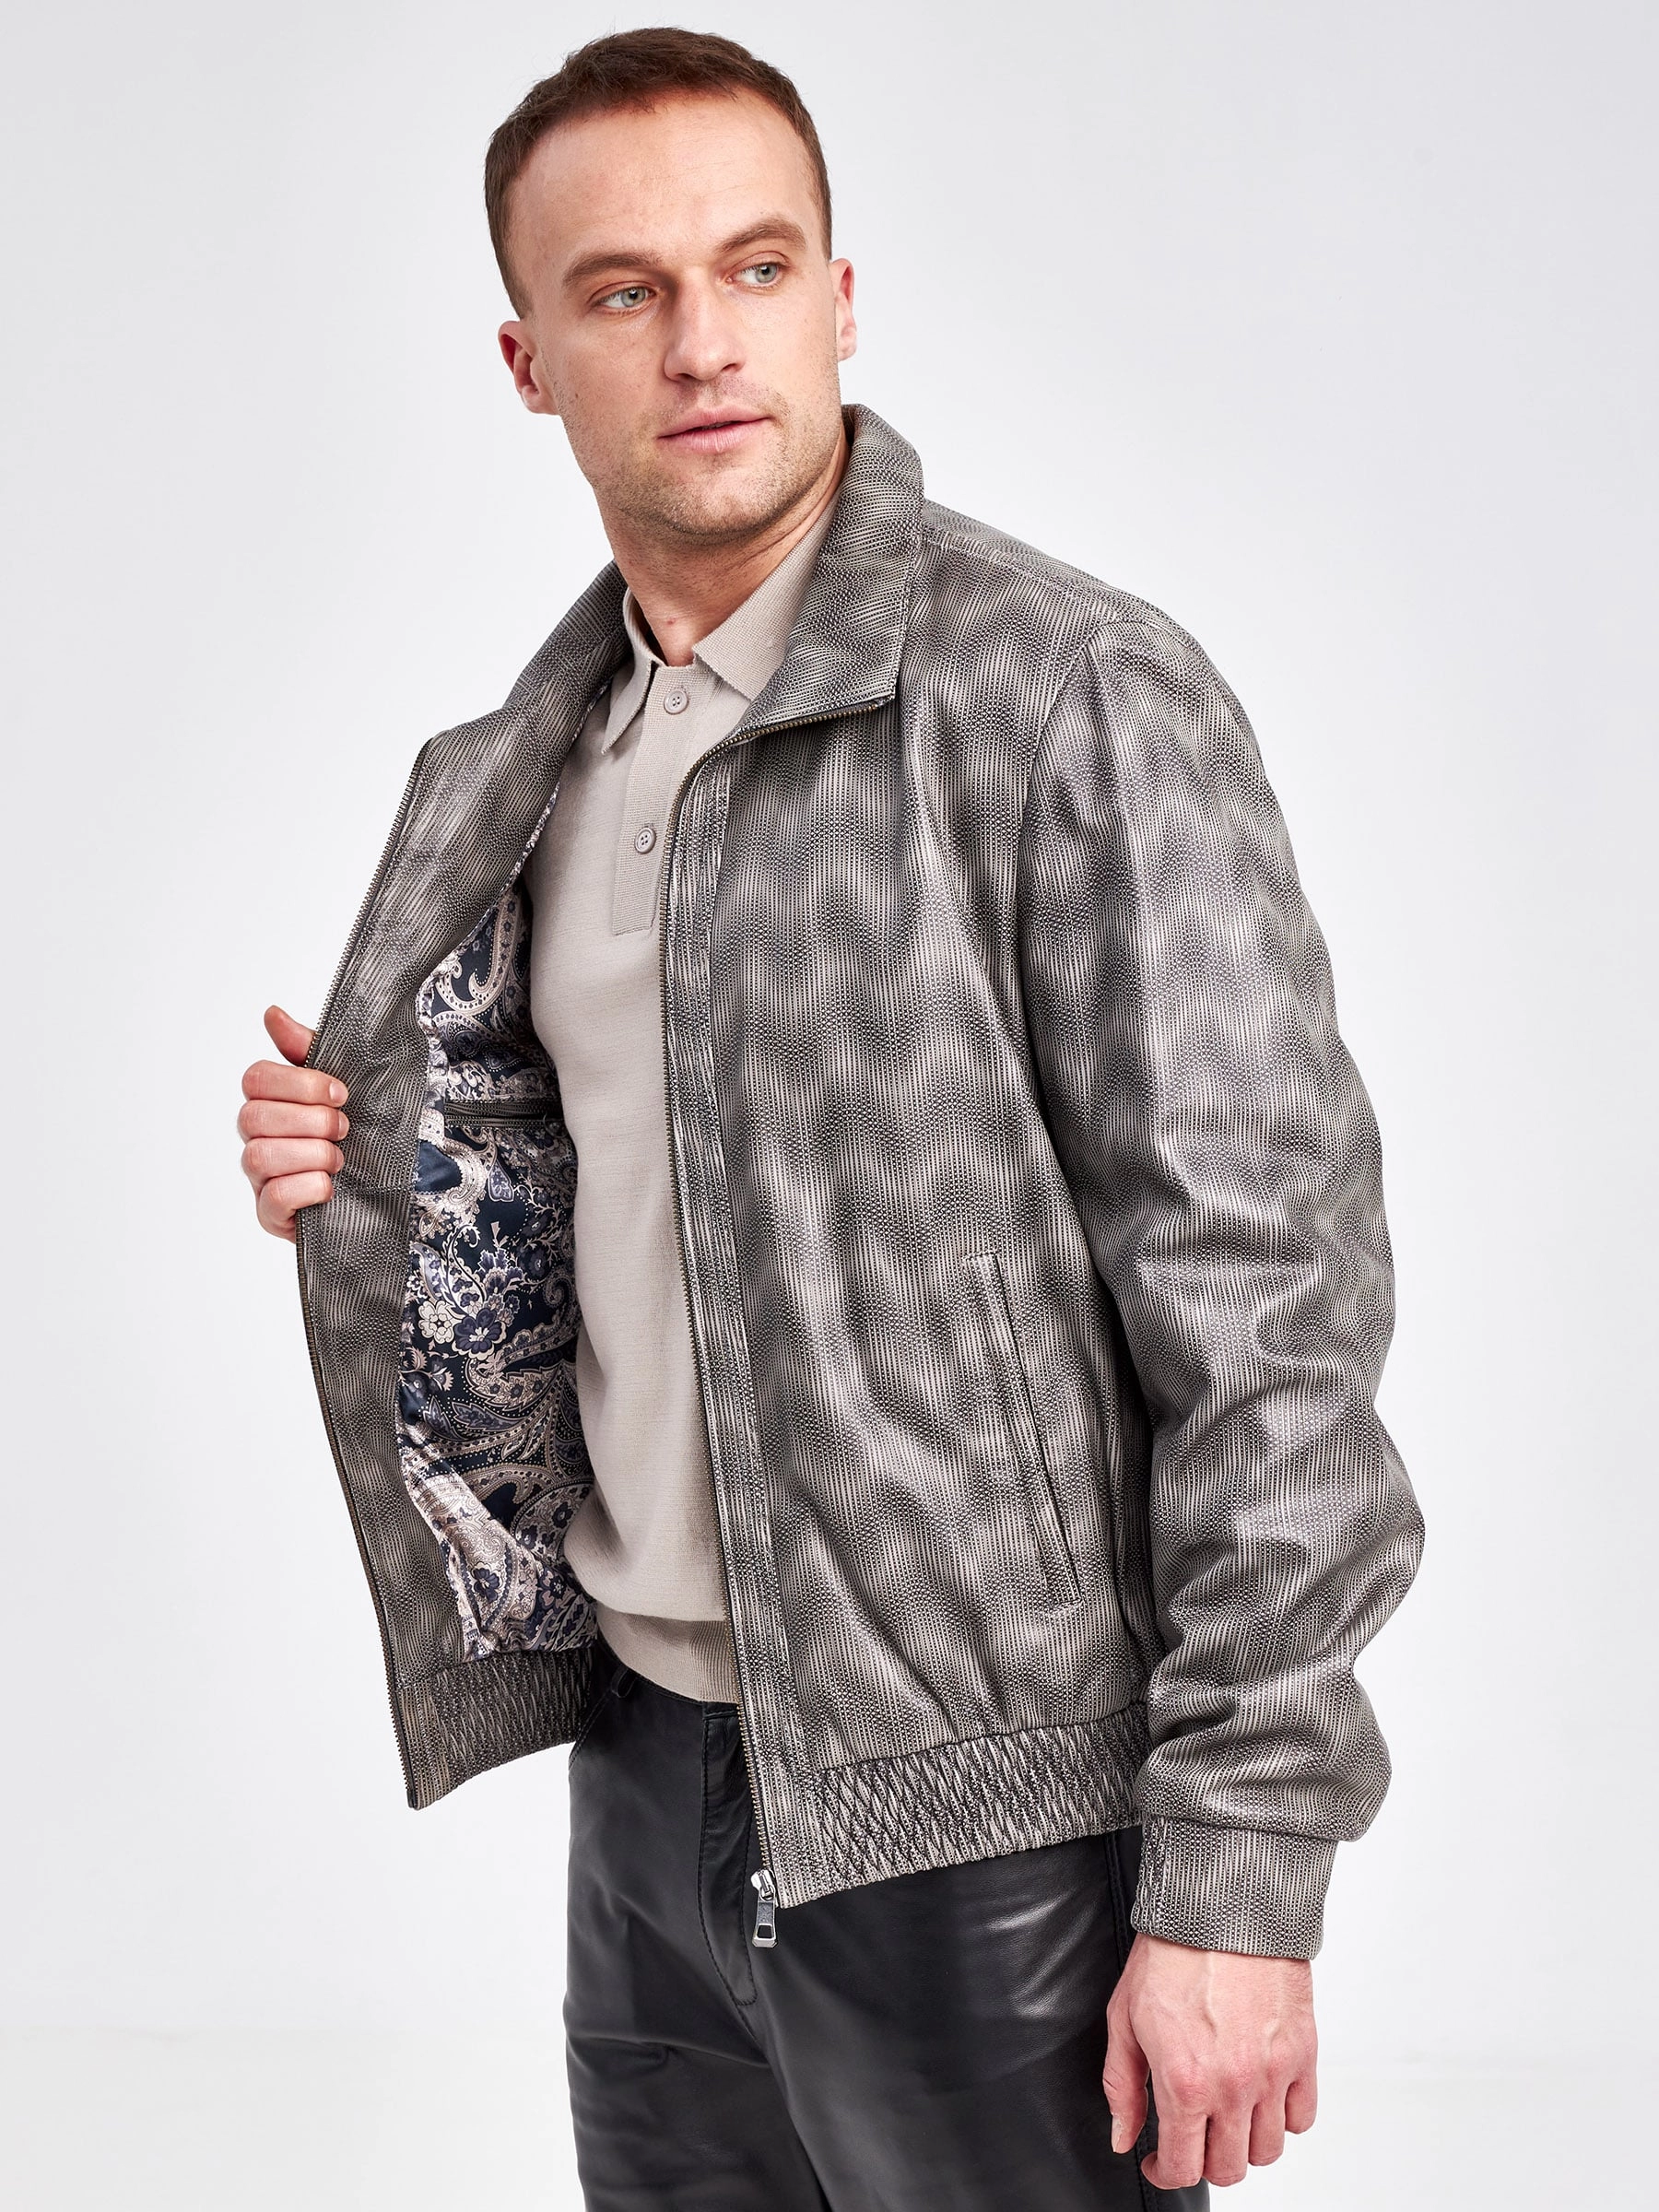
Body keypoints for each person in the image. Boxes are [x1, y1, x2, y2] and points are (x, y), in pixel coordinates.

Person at [238, 28, 1425, 2208]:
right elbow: (595, 1208)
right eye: (624, 292)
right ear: (528, 361)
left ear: (842, 299)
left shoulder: (1061, 692)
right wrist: (373, 1179)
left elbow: (1274, 1316)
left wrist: (1243, 1877)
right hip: (645, 1784)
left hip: (992, 1825)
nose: (704, 343)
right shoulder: (522, 769)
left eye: (757, 267)